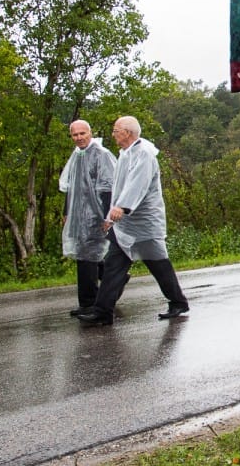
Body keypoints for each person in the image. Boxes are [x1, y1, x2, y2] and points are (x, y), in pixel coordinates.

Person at [76, 116, 190, 325]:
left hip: (144, 223)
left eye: (116, 130)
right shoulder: (126, 154)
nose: (113, 134)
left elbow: (138, 184)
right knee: (113, 266)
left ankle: (178, 302)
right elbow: (119, 187)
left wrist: (123, 207)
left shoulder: (144, 154)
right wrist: (111, 216)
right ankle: (102, 312)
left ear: (127, 133)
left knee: (159, 265)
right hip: (127, 225)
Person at [59, 119, 117, 316]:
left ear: (90, 133)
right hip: (79, 215)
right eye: (75, 135)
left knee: (86, 256)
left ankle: (89, 302)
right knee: (86, 255)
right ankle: (113, 277)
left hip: (96, 214)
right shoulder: (77, 155)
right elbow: (71, 186)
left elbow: (109, 187)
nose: (79, 138)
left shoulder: (101, 154)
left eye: (82, 133)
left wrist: (107, 216)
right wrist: (67, 212)